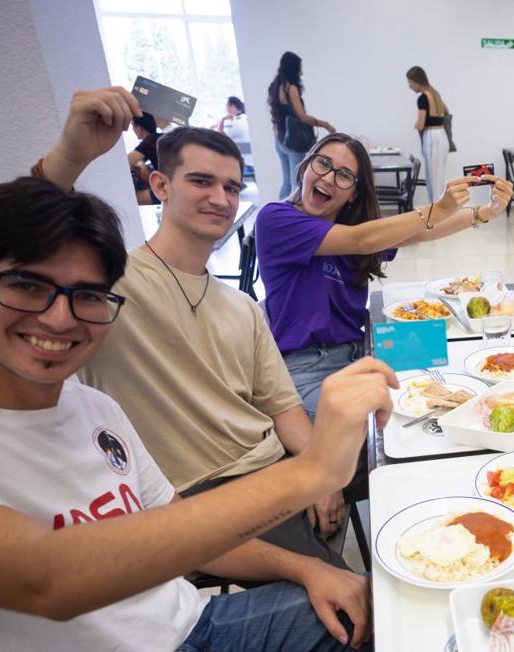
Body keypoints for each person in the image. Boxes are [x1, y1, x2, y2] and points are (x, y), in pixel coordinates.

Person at [0, 150, 396, 652]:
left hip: (202, 632)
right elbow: (47, 578)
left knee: (416, 609)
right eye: (27, 286)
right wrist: (313, 470)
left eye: (87, 296)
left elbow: (176, 526)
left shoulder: (96, 414)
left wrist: (308, 567)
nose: (60, 317)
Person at [52, 99, 354, 550]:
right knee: (352, 610)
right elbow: (20, 246)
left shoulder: (243, 307)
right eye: (201, 181)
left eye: (231, 187)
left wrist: (321, 473)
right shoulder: (112, 285)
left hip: (272, 469)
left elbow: (283, 406)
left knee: (396, 454)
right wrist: (70, 157)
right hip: (201, 494)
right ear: (160, 185)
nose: (220, 198)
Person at [256, 132, 513, 419]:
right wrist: (437, 208)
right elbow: (359, 241)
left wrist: (484, 212)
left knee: (452, 384)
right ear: (305, 167)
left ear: (354, 192)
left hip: (362, 353)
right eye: (322, 163)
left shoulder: (354, 225)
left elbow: (418, 232)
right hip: (307, 368)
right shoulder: (276, 219)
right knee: (394, 418)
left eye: (343, 175)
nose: (328, 178)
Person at [269, 51, 334, 199]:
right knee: (295, 182)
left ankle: (278, 216)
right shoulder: (291, 88)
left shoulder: (276, 86)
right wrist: (325, 124)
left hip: (279, 138)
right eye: (299, 68)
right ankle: (289, 217)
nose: (302, 72)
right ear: (293, 68)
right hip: (293, 140)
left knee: (285, 182)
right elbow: (301, 116)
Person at [406, 65, 448, 203]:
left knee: (433, 179)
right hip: (442, 135)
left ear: (416, 81)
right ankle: (439, 211)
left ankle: (436, 215)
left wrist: (416, 125)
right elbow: (446, 110)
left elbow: (421, 124)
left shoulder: (423, 98)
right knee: (439, 177)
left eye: (410, 83)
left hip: (432, 136)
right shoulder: (435, 93)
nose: (410, 87)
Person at [215, 95, 253, 172]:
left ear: (232, 106)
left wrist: (222, 120)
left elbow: (219, 136)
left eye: (227, 105)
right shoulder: (244, 118)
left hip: (242, 164)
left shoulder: (235, 121)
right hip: (249, 160)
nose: (226, 108)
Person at [128, 112, 159, 205]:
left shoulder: (151, 140)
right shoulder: (157, 139)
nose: (132, 128)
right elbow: (139, 163)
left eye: (133, 125)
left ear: (139, 128)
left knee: (130, 199)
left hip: (171, 189)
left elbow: (126, 162)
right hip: (171, 183)